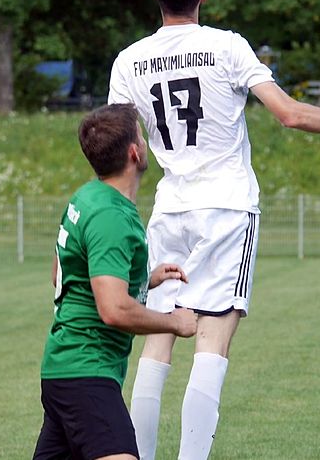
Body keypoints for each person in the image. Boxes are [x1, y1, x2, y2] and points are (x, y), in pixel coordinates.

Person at [108, 0, 320, 460]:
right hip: (226, 206)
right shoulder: (227, 47)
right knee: (212, 341)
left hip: (168, 208)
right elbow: (289, 114)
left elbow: (119, 144)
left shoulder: (129, 61)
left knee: (156, 343)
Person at [33, 104, 198, 460]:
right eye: (142, 135)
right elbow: (114, 310)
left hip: (63, 370)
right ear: (134, 152)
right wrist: (175, 322)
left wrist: (144, 280)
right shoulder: (112, 216)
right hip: (86, 371)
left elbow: (62, 272)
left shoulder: (88, 197)